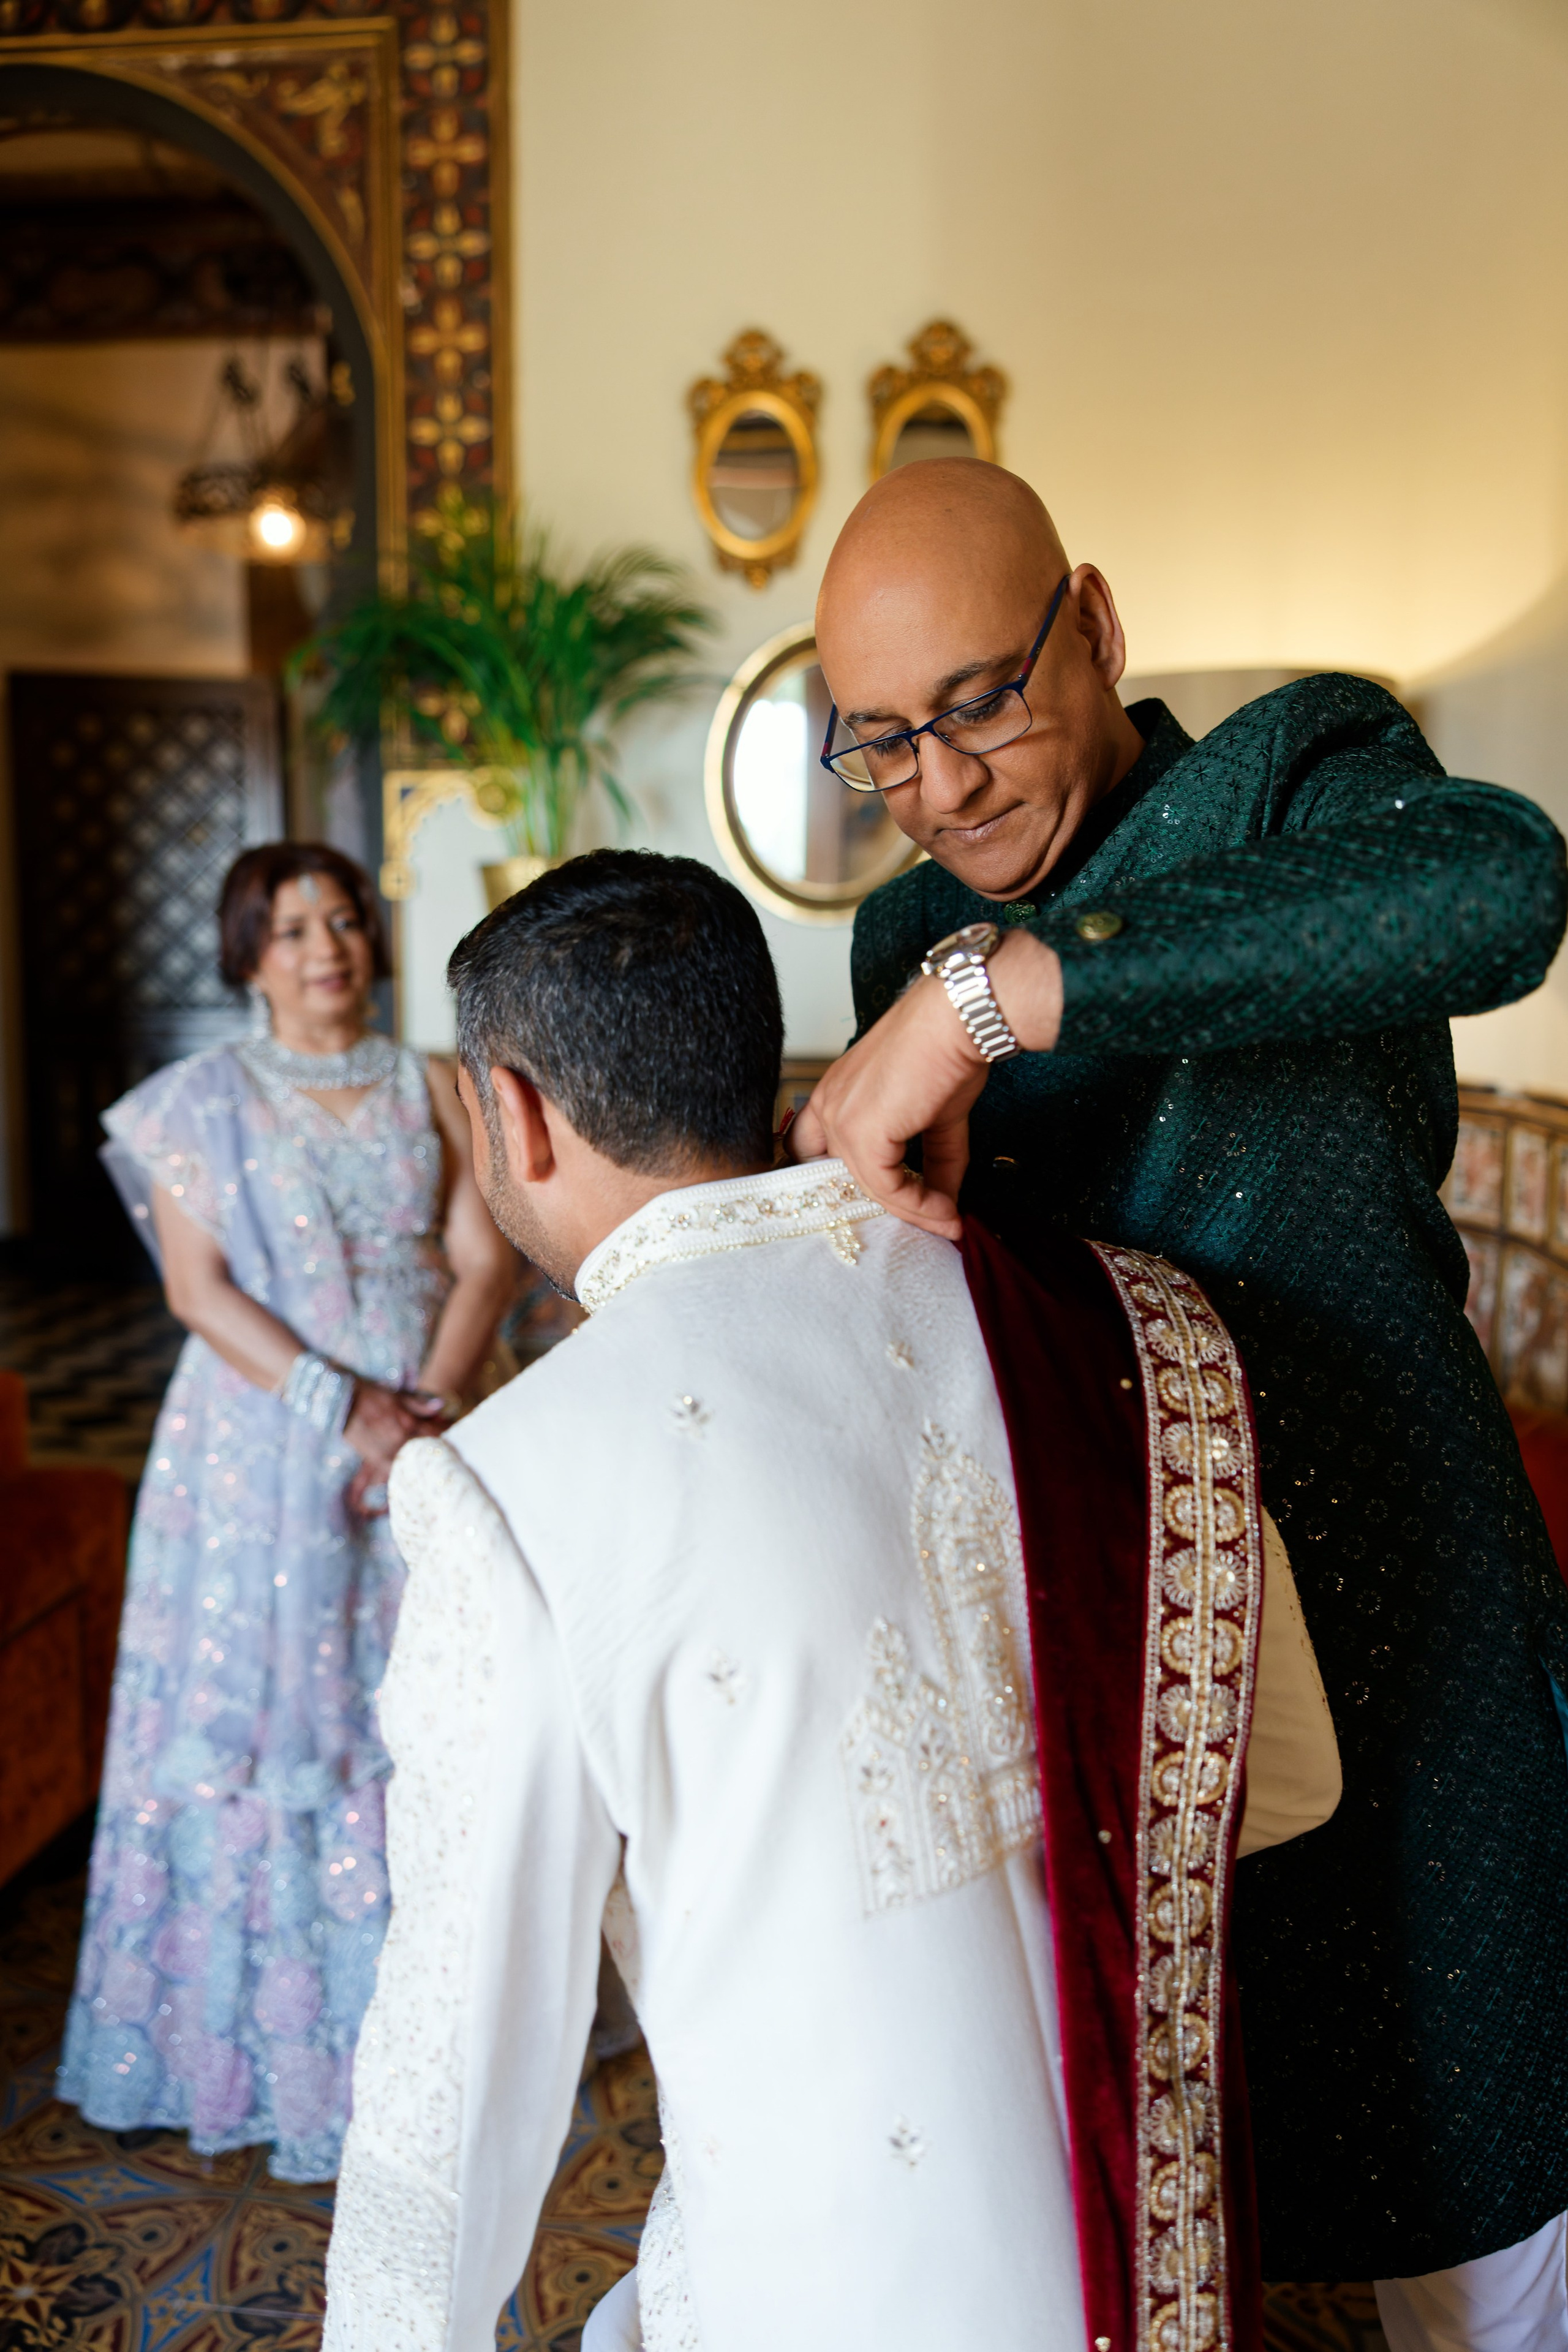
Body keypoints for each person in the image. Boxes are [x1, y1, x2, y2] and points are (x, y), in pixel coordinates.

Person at [321, 850, 1340, 2352]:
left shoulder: (509, 1492)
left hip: (814, 2288)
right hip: (1156, 2259)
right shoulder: (1116, 1322)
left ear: (513, 1114)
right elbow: (1286, 1775)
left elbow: (459, 2075)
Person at [794, 458, 1568, 2339]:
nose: (946, 785)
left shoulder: (1301, 774)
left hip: (1409, 1611)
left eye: (981, 700)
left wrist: (1010, 1001)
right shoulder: (901, 937)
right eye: (883, 742)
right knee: (1172, 2224)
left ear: (1102, 623)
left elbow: (1507, 888)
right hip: (1141, 1677)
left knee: (1488, 2190)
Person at [58, 842, 517, 2181]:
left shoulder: (433, 1082)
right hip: (257, 1454)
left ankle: (443, 2032)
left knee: (425, 1704)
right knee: (270, 1723)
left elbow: (486, 1248)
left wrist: (423, 1409)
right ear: (247, 956)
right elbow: (199, 1293)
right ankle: (263, 2045)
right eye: (292, 927)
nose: (327, 946)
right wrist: (346, 1412)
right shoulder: (193, 1105)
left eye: (343, 920)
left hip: (424, 1429)